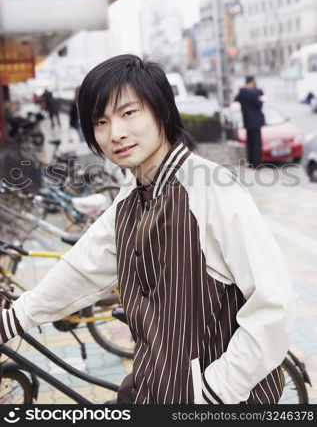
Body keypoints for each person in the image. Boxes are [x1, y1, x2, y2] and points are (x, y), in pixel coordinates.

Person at [0, 55, 294, 404]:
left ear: (162, 111)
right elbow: (84, 267)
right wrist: (14, 319)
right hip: (152, 387)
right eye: (101, 121)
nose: (116, 134)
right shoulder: (131, 194)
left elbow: (273, 305)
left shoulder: (212, 190)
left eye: (129, 113)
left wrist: (215, 390)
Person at [234, 76, 265, 169]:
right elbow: (259, 104)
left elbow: (236, 99)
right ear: (251, 83)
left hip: (247, 122)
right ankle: (257, 164)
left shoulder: (242, 93)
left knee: (250, 144)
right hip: (255, 122)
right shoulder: (253, 93)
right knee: (256, 144)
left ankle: (251, 163)